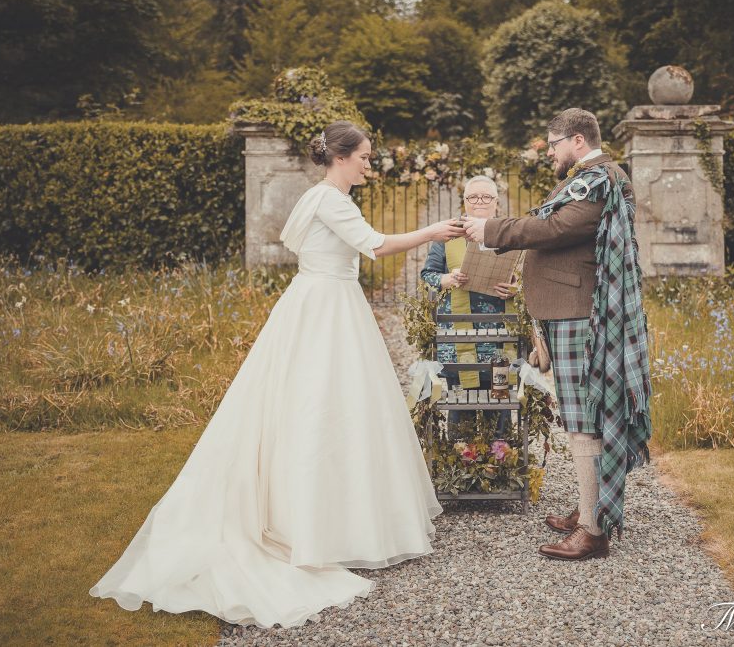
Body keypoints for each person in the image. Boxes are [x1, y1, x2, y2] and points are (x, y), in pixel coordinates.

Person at [90, 121, 466, 626]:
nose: (369, 164)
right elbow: (374, 246)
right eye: (364, 156)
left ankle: (336, 518)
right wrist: (435, 231)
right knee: (322, 406)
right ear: (340, 157)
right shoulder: (332, 200)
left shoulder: (318, 197)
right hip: (327, 307)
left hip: (319, 302)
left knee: (333, 406)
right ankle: (314, 526)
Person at [464, 108, 652, 561]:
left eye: (553, 144)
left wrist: (491, 230)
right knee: (579, 415)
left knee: (583, 419)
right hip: (567, 310)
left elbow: (555, 227)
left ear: (577, 141)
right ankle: (593, 508)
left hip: (576, 313)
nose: (549, 152)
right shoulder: (590, 175)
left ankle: (592, 530)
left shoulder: (600, 178)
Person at [420, 176, 518, 435]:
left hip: (499, 337)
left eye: (486, 197)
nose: (479, 202)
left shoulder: (510, 234)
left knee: (500, 404)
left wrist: (515, 287)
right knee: (460, 404)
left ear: (497, 203)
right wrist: (447, 278)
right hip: (459, 337)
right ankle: (461, 464)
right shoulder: (448, 235)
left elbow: (528, 279)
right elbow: (428, 275)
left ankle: (501, 462)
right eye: (473, 197)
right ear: (464, 202)